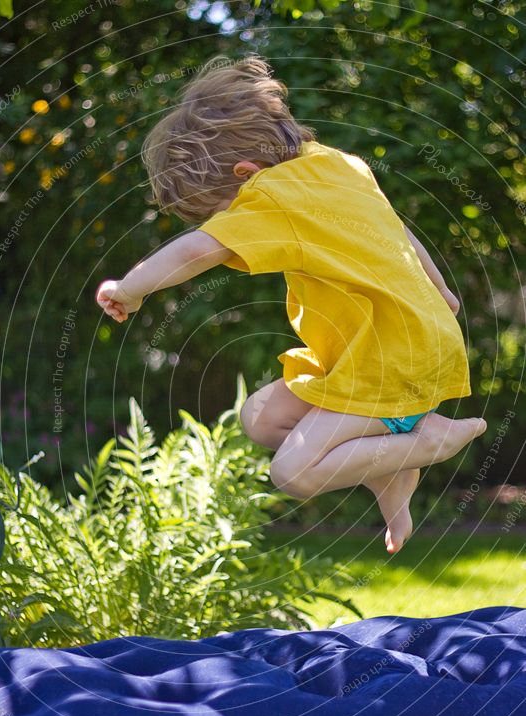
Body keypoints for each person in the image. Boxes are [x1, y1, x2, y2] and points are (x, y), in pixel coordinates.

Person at [97, 56, 486, 553]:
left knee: (294, 472)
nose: (227, 226)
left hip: (390, 362)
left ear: (245, 174)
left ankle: (428, 442)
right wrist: (441, 291)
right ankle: (392, 475)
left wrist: (131, 289)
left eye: (221, 213)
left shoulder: (269, 194)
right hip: (378, 348)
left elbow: (197, 250)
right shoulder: (337, 164)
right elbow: (397, 229)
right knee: (261, 418)